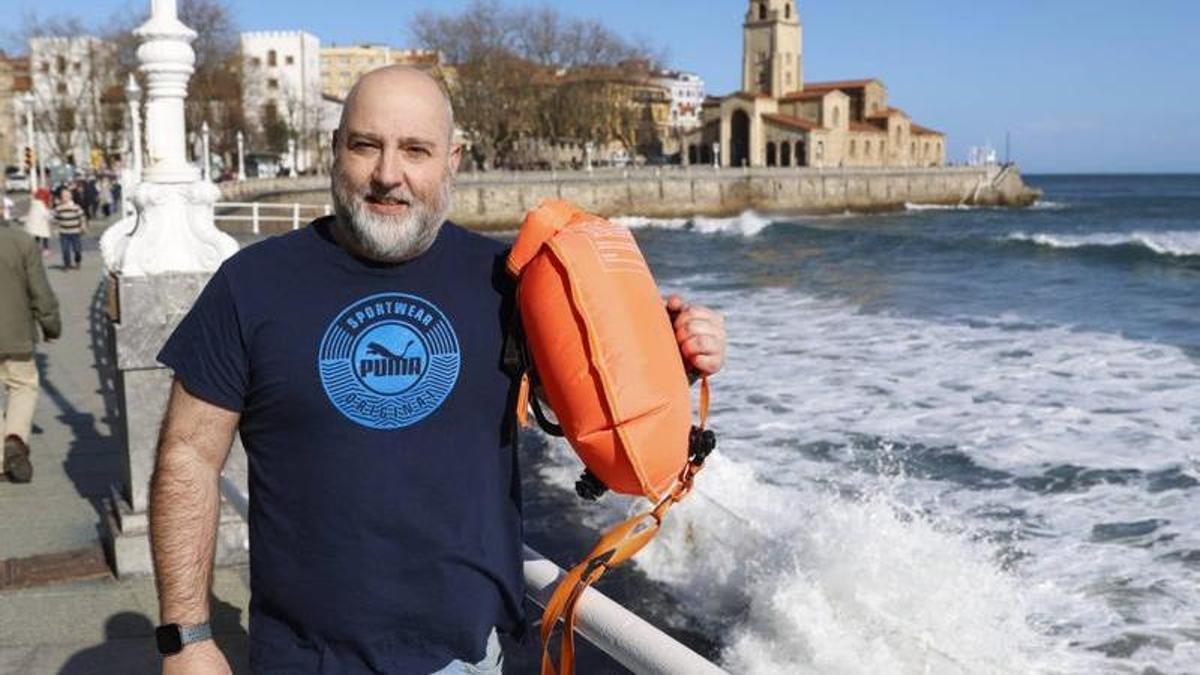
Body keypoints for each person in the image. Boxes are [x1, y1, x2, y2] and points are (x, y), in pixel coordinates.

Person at [150, 65, 727, 675]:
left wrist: (675, 363)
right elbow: (188, 455)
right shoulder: (251, 285)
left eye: (415, 150)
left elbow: (589, 407)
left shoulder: (511, 284)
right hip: (307, 658)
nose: (387, 174)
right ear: (335, 149)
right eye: (365, 145)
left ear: (452, 159)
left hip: (474, 655)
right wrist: (187, 639)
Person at [0, 207, 61, 483]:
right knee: (23, 386)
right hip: (16, 334)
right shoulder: (22, 241)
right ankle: (14, 437)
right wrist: (50, 325)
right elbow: (39, 290)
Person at [52, 188, 87, 270]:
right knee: (65, 250)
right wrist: (55, 228)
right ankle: (67, 264)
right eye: (63, 196)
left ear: (71, 196)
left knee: (77, 249)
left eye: (67, 195)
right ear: (61, 197)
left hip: (75, 232)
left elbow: (82, 217)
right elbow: (55, 219)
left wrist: (83, 226)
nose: (65, 197)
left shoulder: (76, 207)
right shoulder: (59, 208)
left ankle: (77, 261)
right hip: (64, 232)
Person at [24, 188, 53, 254]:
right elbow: (46, 214)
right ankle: (45, 249)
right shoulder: (41, 205)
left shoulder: (34, 203)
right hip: (40, 224)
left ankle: (35, 248)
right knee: (45, 235)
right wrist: (52, 216)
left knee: (37, 237)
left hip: (33, 224)